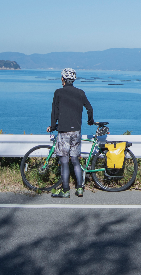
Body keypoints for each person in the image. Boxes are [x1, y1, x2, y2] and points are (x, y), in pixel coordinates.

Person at [47, 67, 94, 198]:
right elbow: (90, 108)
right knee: (75, 160)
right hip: (76, 131)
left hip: (64, 131)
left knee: (64, 161)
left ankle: (66, 190)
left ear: (63, 79)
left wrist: (52, 126)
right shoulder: (80, 92)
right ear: (73, 80)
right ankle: (80, 189)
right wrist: (90, 121)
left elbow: (54, 112)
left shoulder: (58, 93)